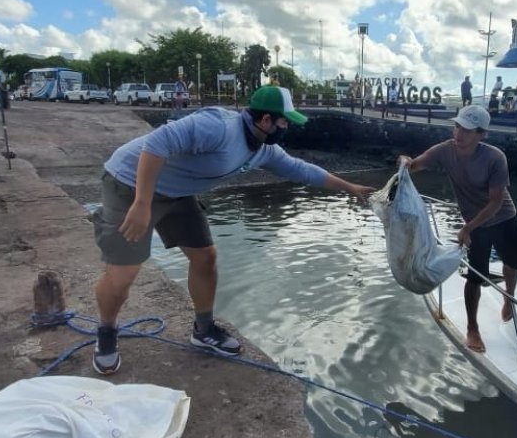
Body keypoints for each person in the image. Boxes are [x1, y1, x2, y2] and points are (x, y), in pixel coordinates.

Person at [89, 86, 375, 374]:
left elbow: (302, 170)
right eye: (284, 121)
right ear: (265, 121)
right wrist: (142, 203)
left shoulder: (264, 149)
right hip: (129, 183)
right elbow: (156, 144)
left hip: (178, 192)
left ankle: (203, 330)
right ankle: (106, 331)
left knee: (206, 257)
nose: (287, 127)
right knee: (123, 273)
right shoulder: (218, 127)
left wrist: (350, 188)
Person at [398, 105, 517, 352]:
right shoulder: (445, 150)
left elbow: (496, 201)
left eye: (467, 130)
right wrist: (405, 161)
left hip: (503, 217)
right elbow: (415, 165)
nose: (459, 133)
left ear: (481, 134)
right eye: (457, 126)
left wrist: (467, 227)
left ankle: (509, 298)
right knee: (475, 277)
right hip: (474, 224)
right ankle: (472, 328)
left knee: (512, 263)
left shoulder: (495, 157)